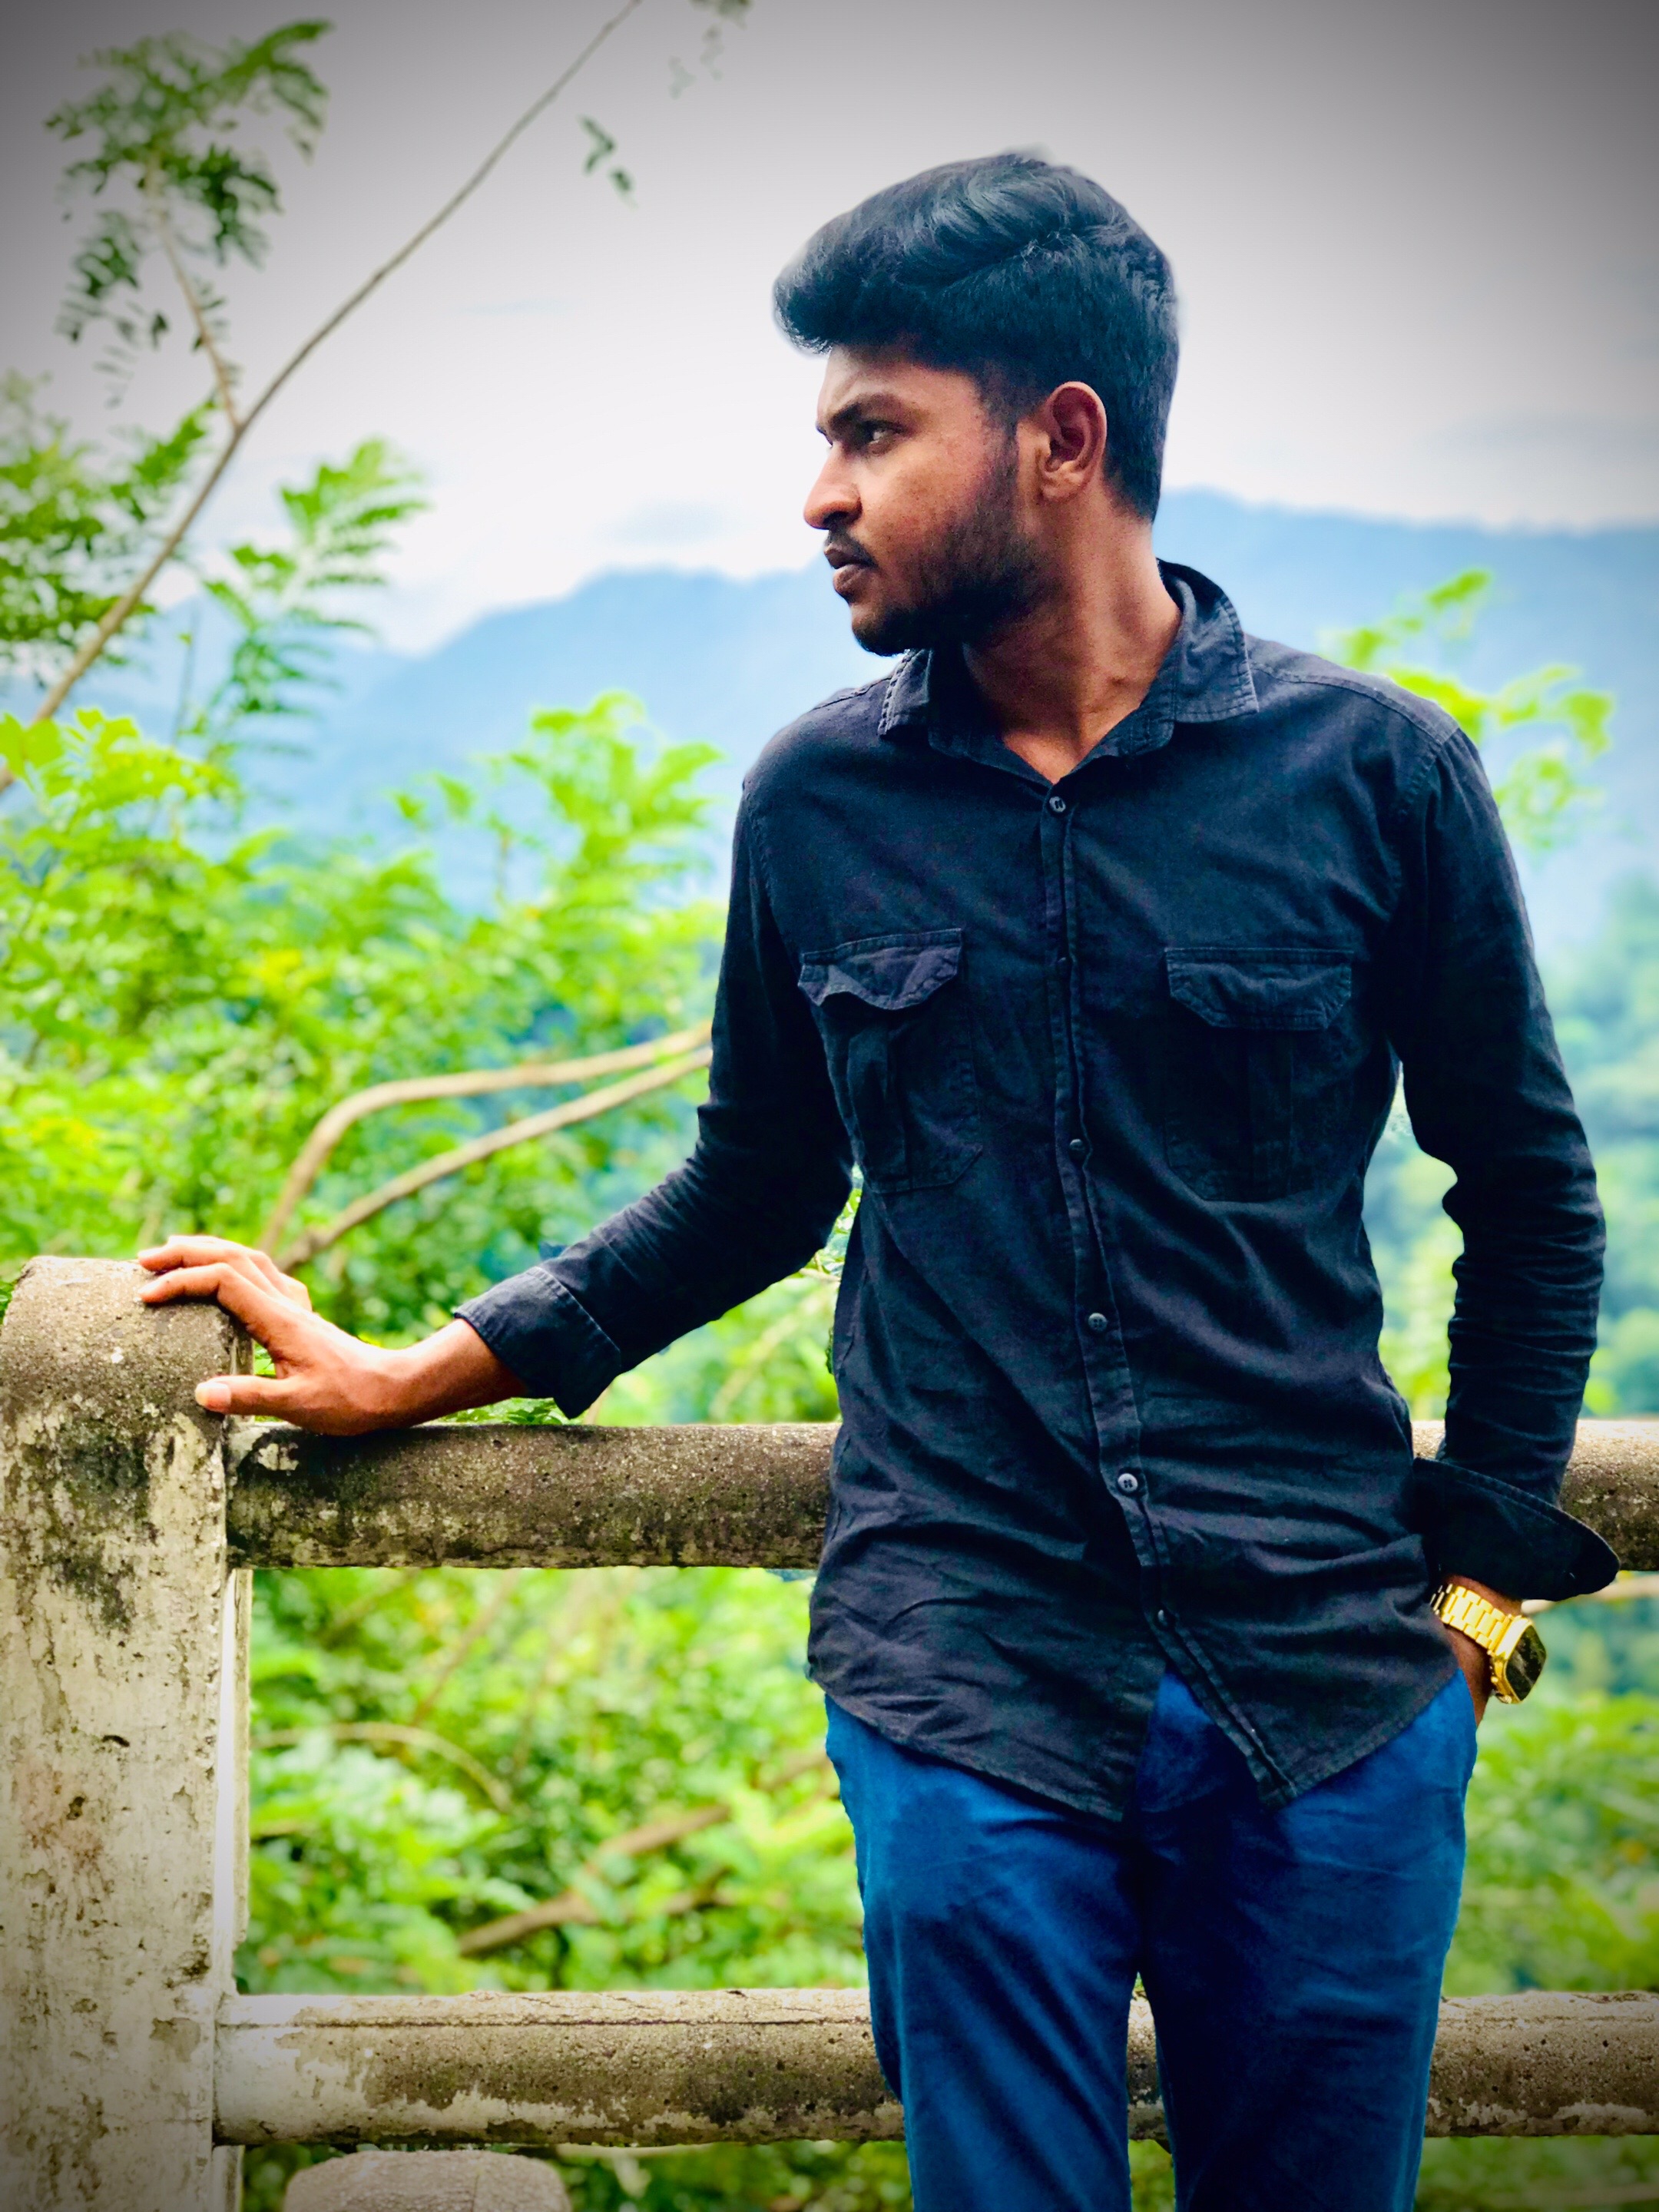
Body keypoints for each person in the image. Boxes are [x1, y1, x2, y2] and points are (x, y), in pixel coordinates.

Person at [140, 154, 1616, 2211]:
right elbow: (758, 1182)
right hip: (966, 1674)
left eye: (872, 434)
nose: (820, 495)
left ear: (1060, 441)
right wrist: (418, 1372)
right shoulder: (819, 800)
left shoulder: (1375, 777)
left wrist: (1471, 1608)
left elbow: (1529, 1193)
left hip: (1332, 1687)